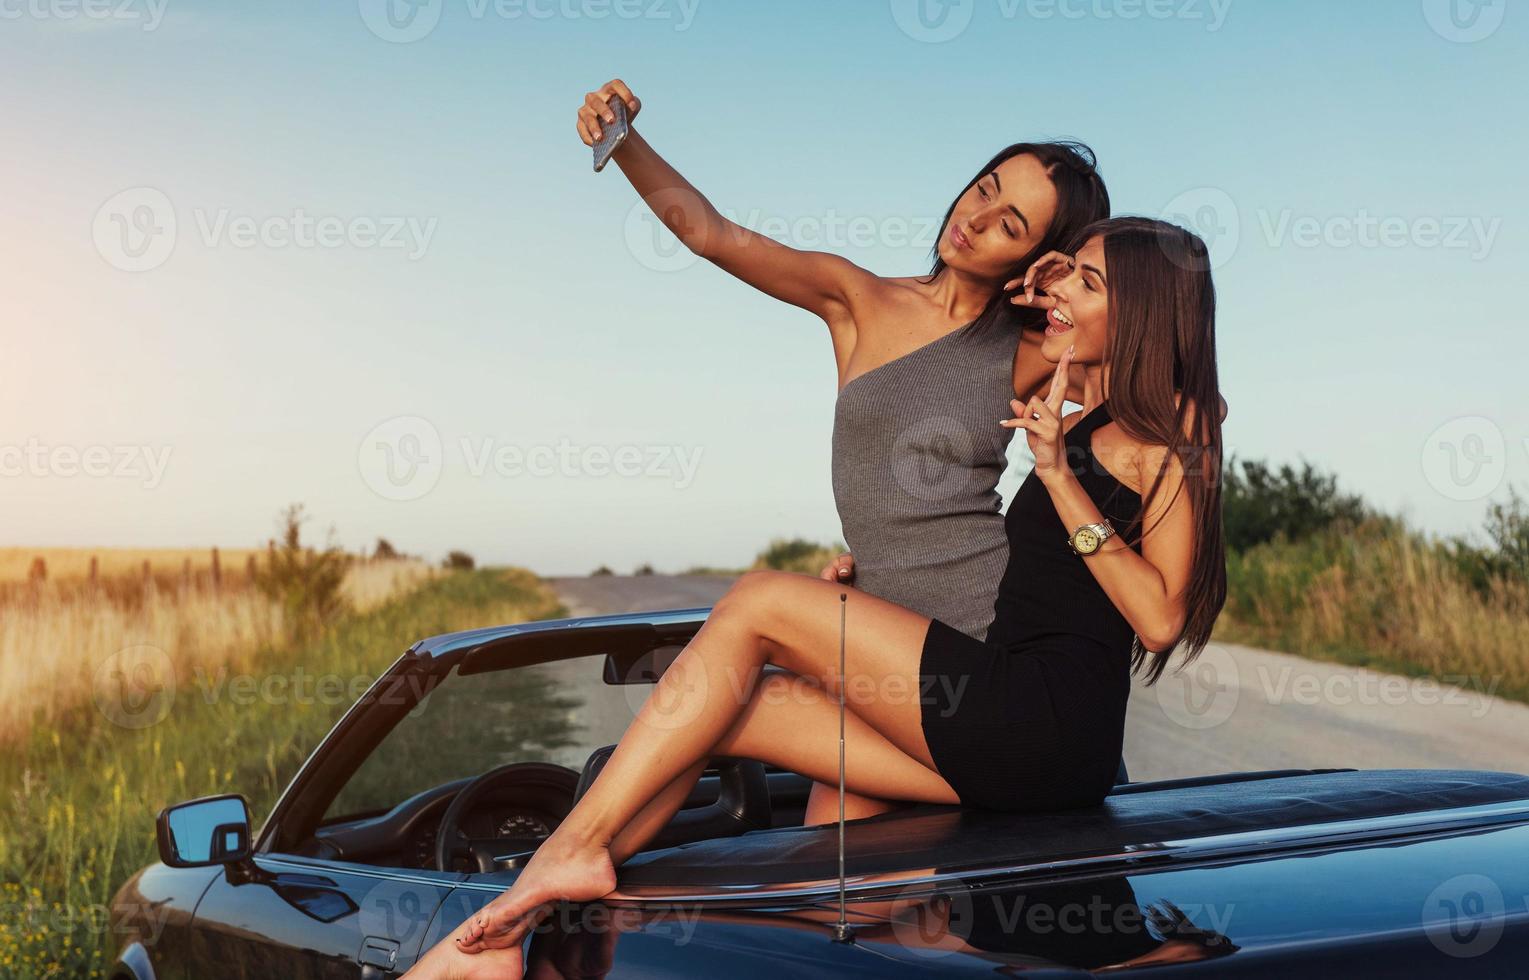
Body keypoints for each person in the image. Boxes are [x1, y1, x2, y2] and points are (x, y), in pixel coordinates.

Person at [405, 216, 1227, 978]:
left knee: (762, 601)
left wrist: (1057, 481)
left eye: (1086, 282)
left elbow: (1157, 619)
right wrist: (1048, 292)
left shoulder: (1167, 423)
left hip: (1045, 722)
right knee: (747, 707)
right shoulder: (1091, 412)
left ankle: (565, 853)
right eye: (1063, 276)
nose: (1059, 292)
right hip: (1017, 736)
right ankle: (537, 906)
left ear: (1148, 311)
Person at [575, 79, 1112, 825]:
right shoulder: (854, 298)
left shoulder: (1029, 353)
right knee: (837, 884)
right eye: (983, 190)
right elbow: (713, 235)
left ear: (1037, 257)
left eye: (1010, 225)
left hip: (983, 639)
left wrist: (1063, 295)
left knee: (849, 846)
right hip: (879, 636)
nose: (975, 218)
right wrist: (624, 143)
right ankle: (576, 885)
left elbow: (1168, 384)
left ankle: (567, 865)